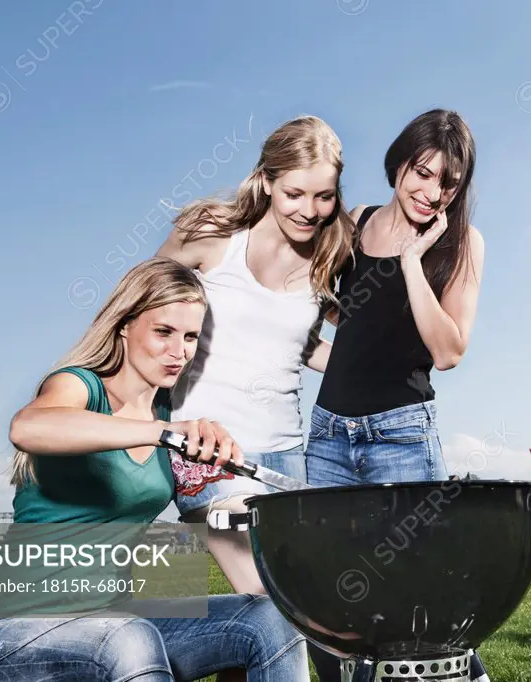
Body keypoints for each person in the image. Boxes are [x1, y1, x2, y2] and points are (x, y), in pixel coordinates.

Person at [0, 257, 309, 681]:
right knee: (129, 637)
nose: (180, 352)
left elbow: (218, 516)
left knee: (266, 620)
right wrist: (159, 432)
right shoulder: (80, 386)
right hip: (2, 632)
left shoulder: (170, 415)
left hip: (108, 621)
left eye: (191, 336)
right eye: (164, 332)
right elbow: (28, 426)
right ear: (124, 325)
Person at [302, 109, 488, 681]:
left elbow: (448, 350)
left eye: (447, 183)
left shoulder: (462, 243)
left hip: (402, 435)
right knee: (324, 595)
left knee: (417, 595)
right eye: (422, 172)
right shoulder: (354, 221)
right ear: (399, 162)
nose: (431, 192)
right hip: (330, 433)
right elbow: (346, 320)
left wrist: (412, 262)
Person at [154, 115, 355, 604]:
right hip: (208, 448)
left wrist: (375, 371)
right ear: (266, 181)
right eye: (294, 194)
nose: (309, 211)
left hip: (286, 453)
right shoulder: (210, 233)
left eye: (323, 196)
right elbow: (141, 306)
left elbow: (298, 344)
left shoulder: (331, 251)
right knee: (277, 603)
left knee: (272, 615)